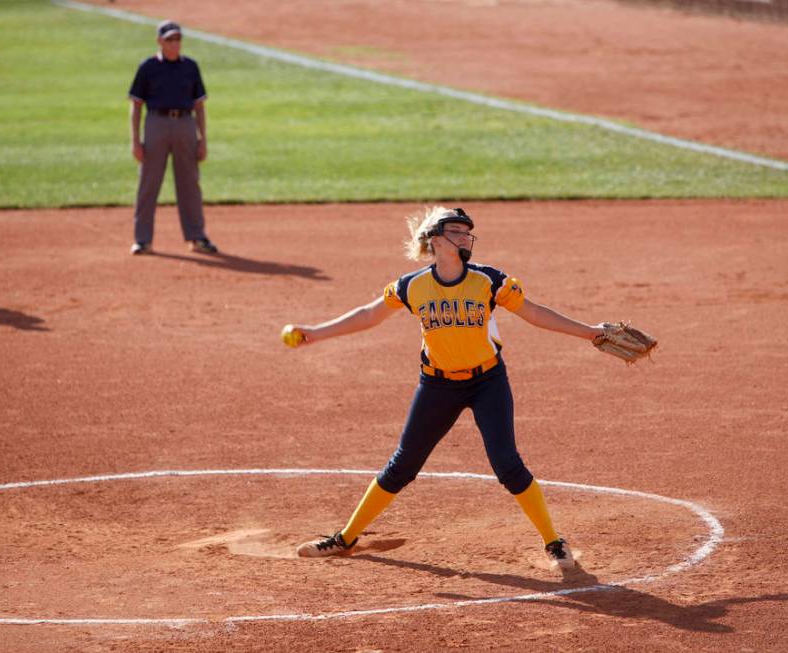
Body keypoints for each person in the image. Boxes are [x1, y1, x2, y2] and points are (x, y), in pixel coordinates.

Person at [284, 206, 615, 570]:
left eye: (466, 232)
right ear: (435, 239)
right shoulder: (412, 286)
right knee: (402, 466)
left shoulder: (490, 281)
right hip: (437, 385)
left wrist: (589, 331)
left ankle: (554, 542)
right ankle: (344, 539)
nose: (464, 237)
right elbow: (368, 314)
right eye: (456, 231)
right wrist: (316, 333)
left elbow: (535, 313)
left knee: (508, 465)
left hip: (488, 381)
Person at [127, 20, 217, 256]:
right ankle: (143, 240)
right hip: (156, 123)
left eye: (177, 39)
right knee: (148, 183)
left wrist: (203, 138)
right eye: (169, 39)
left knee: (190, 183)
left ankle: (197, 237)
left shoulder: (191, 67)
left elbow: (199, 106)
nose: (174, 44)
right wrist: (135, 140)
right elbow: (136, 105)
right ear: (159, 41)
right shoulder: (147, 67)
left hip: (186, 125)